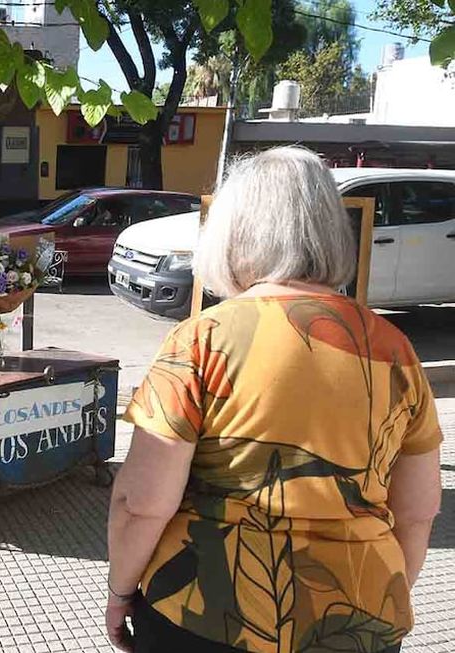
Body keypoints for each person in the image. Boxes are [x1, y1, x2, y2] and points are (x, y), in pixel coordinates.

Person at [105, 147, 442, 653]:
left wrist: (119, 591)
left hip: (205, 614)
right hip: (357, 618)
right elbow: (417, 512)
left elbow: (142, 503)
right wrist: (376, 597)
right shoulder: (395, 351)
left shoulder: (202, 340)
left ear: (235, 233)